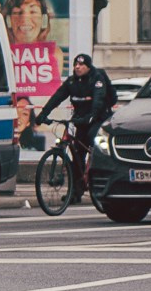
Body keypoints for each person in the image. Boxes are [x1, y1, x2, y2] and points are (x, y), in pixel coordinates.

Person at [35, 53, 118, 199]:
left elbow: (98, 100)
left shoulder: (97, 78)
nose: (78, 67)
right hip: (81, 119)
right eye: (76, 65)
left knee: (92, 141)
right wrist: (43, 114)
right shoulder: (72, 81)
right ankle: (75, 191)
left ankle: (98, 177)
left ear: (88, 67)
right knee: (77, 154)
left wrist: (92, 116)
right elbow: (58, 96)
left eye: (81, 65)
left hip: (98, 118)